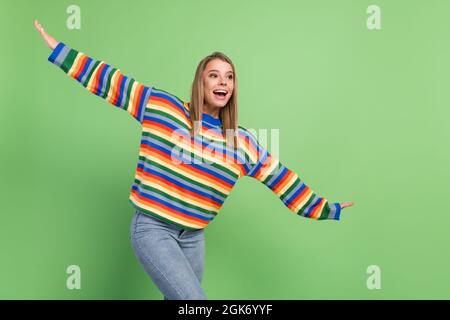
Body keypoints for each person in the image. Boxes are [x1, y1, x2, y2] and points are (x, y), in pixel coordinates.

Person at [34, 20, 354, 300]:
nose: (222, 82)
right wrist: (60, 51)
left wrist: (329, 208)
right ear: (200, 82)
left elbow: (283, 180)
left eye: (229, 77)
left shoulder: (240, 143)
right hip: (153, 230)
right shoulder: (162, 108)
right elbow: (110, 82)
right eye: (214, 75)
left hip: (194, 239)